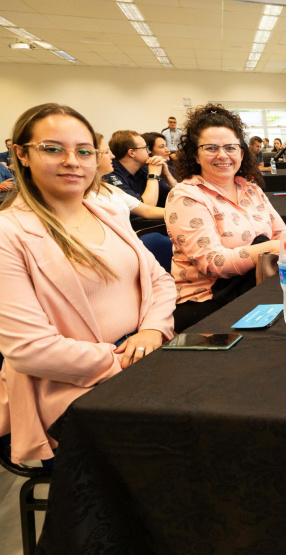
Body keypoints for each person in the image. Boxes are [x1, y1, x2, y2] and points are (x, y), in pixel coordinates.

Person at [0, 103, 176, 464]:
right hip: (74, 389)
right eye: (53, 149)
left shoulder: (105, 209)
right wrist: (126, 360)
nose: (72, 161)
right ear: (21, 154)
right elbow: (31, 350)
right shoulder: (9, 233)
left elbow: (159, 280)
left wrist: (152, 331)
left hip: (143, 358)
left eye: (83, 151)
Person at [166, 104, 286, 332]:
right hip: (207, 301)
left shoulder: (251, 189)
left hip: (257, 286)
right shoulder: (185, 196)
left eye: (230, 147)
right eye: (211, 148)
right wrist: (274, 247)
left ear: (241, 153)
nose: (222, 155)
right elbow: (213, 263)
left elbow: (281, 233)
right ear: (195, 155)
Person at [93, 134, 171, 269]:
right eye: (106, 152)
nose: (112, 156)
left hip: (130, 243)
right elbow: (148, 205)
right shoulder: (109, 178)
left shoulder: (108, 187)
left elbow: (147, 210)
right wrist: (153, 176)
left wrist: (182, 213)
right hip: (116, 251)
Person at [104, 130, 170, 208]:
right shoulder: (111, 175)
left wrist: (167, 175)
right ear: (132, 153)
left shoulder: (145, 168)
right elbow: (146, 208)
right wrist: (153, 176)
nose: (149, 152)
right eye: (145, 148)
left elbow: (172, 195)